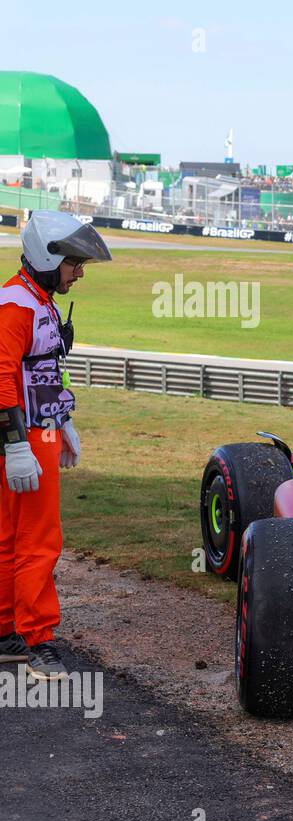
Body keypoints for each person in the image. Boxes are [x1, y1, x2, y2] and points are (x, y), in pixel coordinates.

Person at [0, 211, 111, 680]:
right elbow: (3, 377)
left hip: (34, 431)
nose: (79, 272)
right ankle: (38, 639)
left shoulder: (33, 298)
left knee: (10, 537)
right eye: (74, 264)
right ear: (48, 257)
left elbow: (39, 372)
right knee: (39, 540)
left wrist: (61, 422)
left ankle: (7, 631)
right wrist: (17, 445)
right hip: (21, 436)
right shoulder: (18, 305)